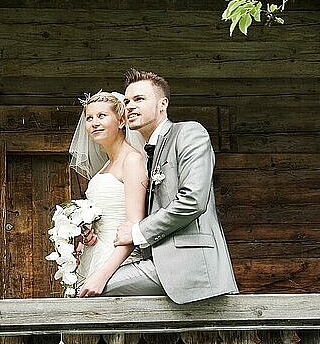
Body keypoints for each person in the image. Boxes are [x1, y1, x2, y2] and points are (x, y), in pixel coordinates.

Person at [98, 68, 239, 304]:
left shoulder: (189, 133)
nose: (130, 106)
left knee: (93, 287)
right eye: (127, 101)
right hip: (152, 261)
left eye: (139, 99)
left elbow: (193, 200)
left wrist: (136, 232)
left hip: (188, 265)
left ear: (162, 104)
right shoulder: (144, 154)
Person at [68, 91, 148, 298]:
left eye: (102, 116)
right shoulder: (106, 166)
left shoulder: (132, 160)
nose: (94, 123)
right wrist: (88, 230)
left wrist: (102, 275)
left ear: (121, 120)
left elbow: (133, 227)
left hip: (116, 258)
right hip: (95, 253)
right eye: (89, 118)